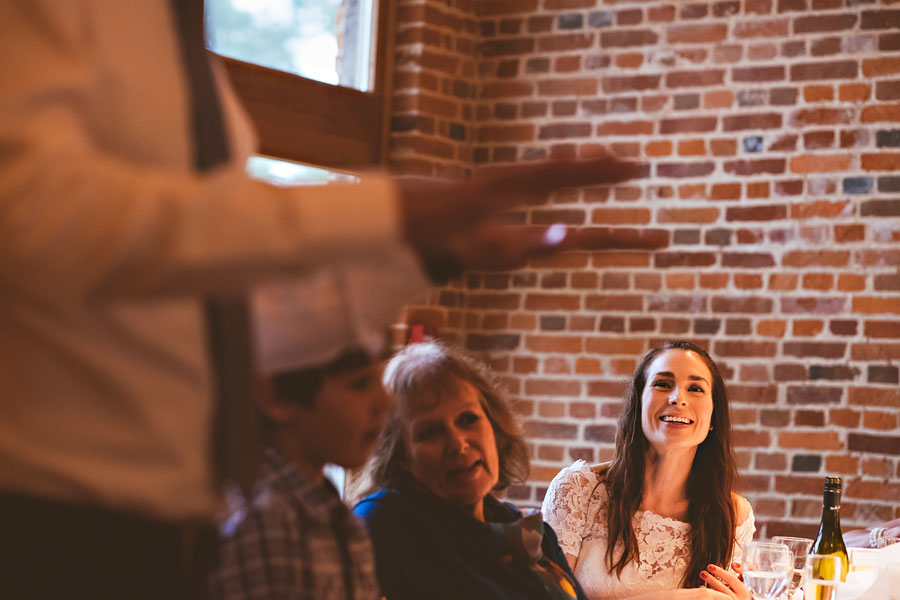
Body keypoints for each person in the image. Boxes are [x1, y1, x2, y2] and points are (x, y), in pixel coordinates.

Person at [0, 3, 660, 598]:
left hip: (166, 530)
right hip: (48, 520)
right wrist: (388, 208)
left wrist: (436, 254)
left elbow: (229, 311)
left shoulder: (176, 44)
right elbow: (31, 215)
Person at [210, 264, 417, 600]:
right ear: (274, 398)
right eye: (358, 384)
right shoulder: (267, 523)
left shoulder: (330, 513)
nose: (385, 402)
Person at [353, 341, 588, 600]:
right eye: (430, 433)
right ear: (400, 457)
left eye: (468, 419)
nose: (458, 444)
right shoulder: (384, 523)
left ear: (494, 425)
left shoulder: (534, 536)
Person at [542, 341, 754, 600]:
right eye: (663, 384)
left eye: (696, 388)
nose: (678, 398)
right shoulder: (577, 491)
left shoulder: (734, 515)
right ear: (639, 402)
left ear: (713, 417)